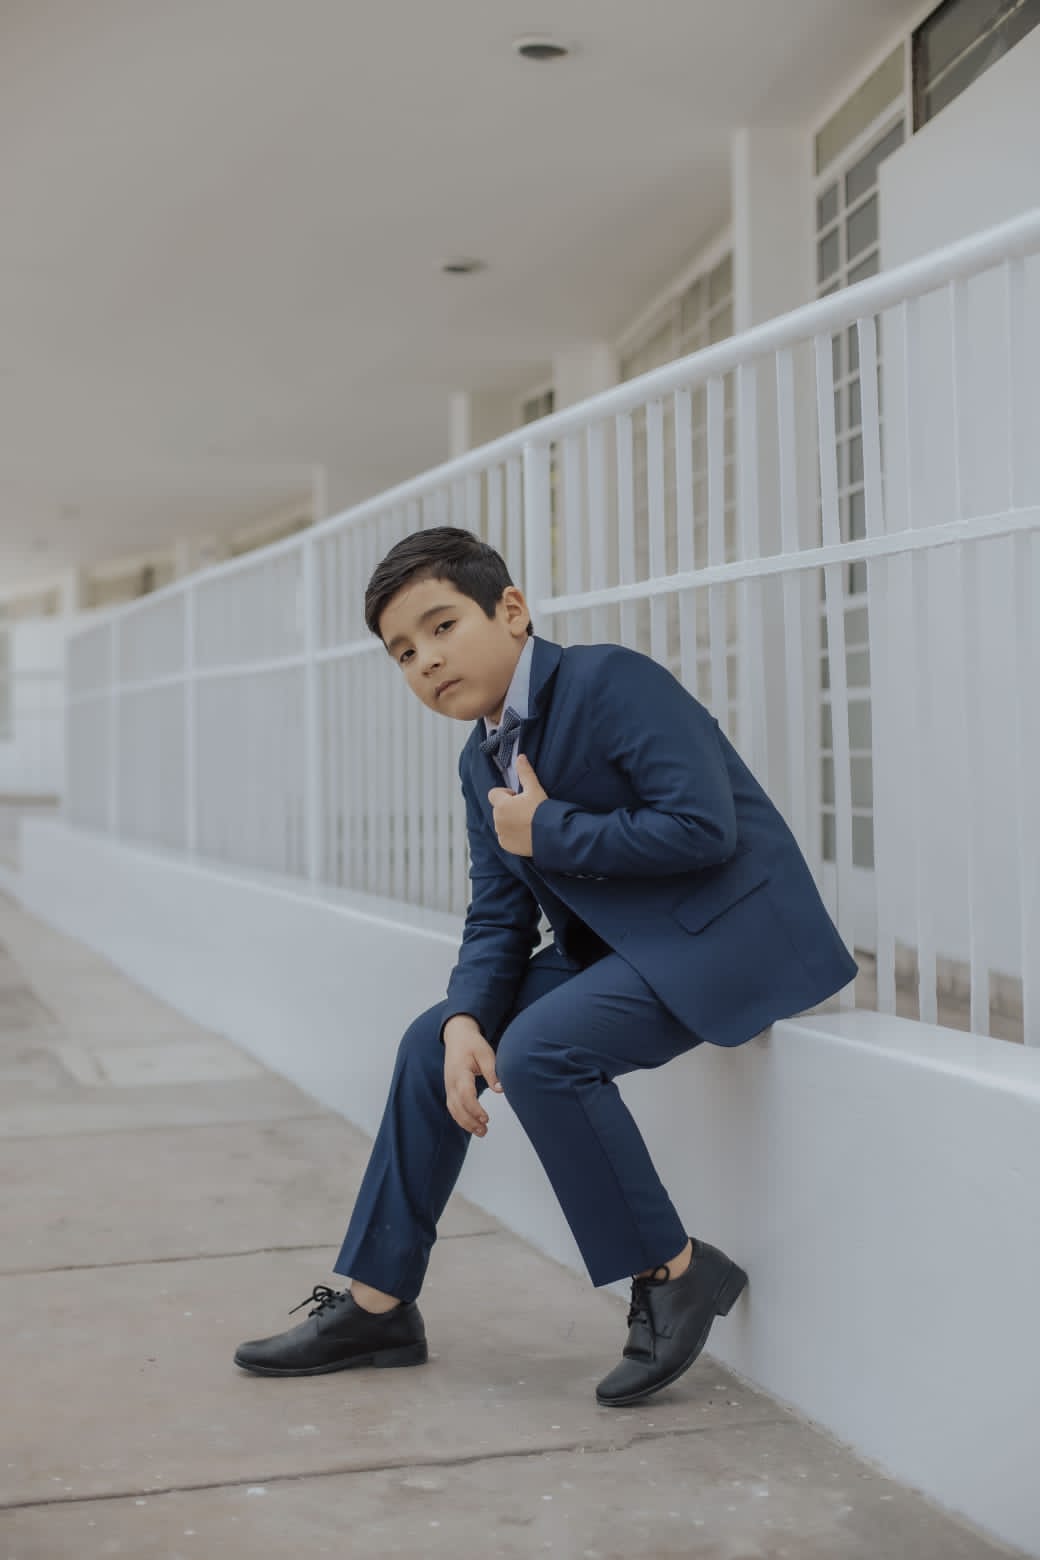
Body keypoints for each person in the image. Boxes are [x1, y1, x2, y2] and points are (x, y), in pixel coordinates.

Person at [234, 526, 857, 1406]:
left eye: (442, 626)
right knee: (429, 1045)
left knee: (540, 1053)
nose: (426, 660)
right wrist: (464, 1017)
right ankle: (378, 1304)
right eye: (403, 652)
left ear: (513, 611)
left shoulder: (612, 682)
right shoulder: (476, 761)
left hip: (727, 939)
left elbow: (703, 827)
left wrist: (547, 828)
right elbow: (498, 913)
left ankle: (674, 1272)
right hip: (625, 952)